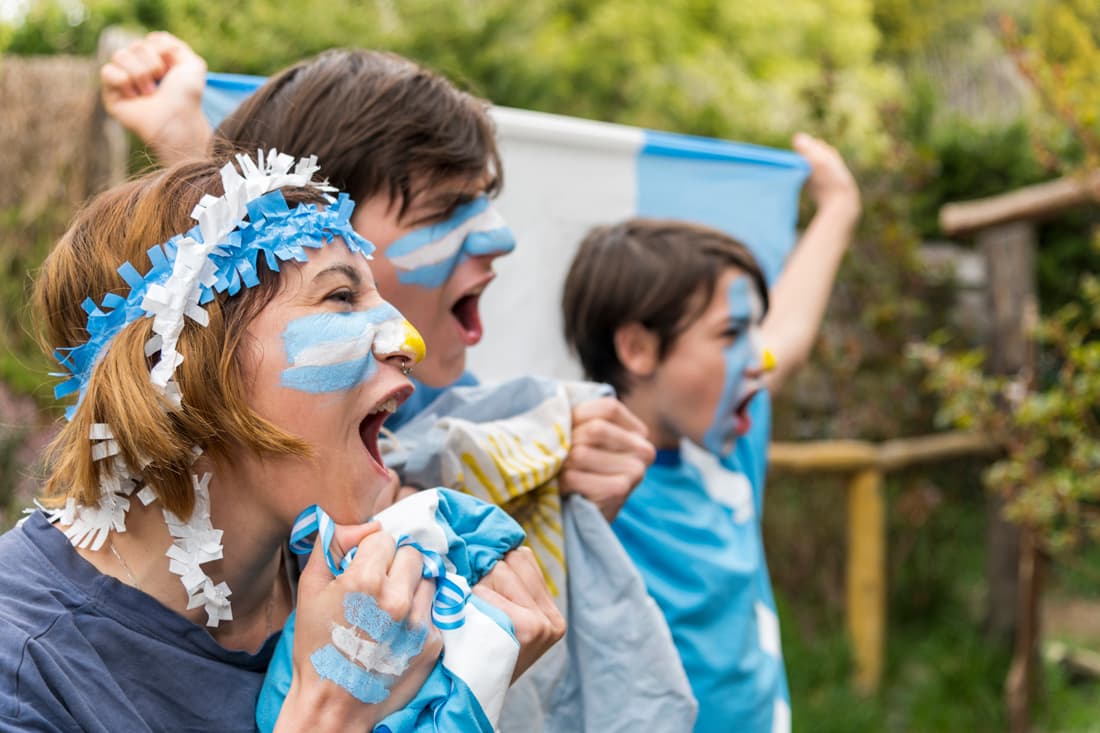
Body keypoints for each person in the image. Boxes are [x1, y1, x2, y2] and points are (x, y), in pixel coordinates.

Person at [0, 152, 562, 731]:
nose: (407, 340)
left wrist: (462, 683)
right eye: (341, 298)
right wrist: (328, 716)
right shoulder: (22, 665)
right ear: (184, 365)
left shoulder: (381, 605)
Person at [100, 32, 655, 523]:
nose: (500, 238)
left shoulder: (437, 408)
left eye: (484, 202)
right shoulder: (204, 495)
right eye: (444, 209)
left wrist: (557, 497)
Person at [561, 133, 861, 733]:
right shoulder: (574, 479)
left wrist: (839, 206)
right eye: (731, 336)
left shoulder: (723, 436)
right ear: (639, 348)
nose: (758, 359)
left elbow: (790, 335)